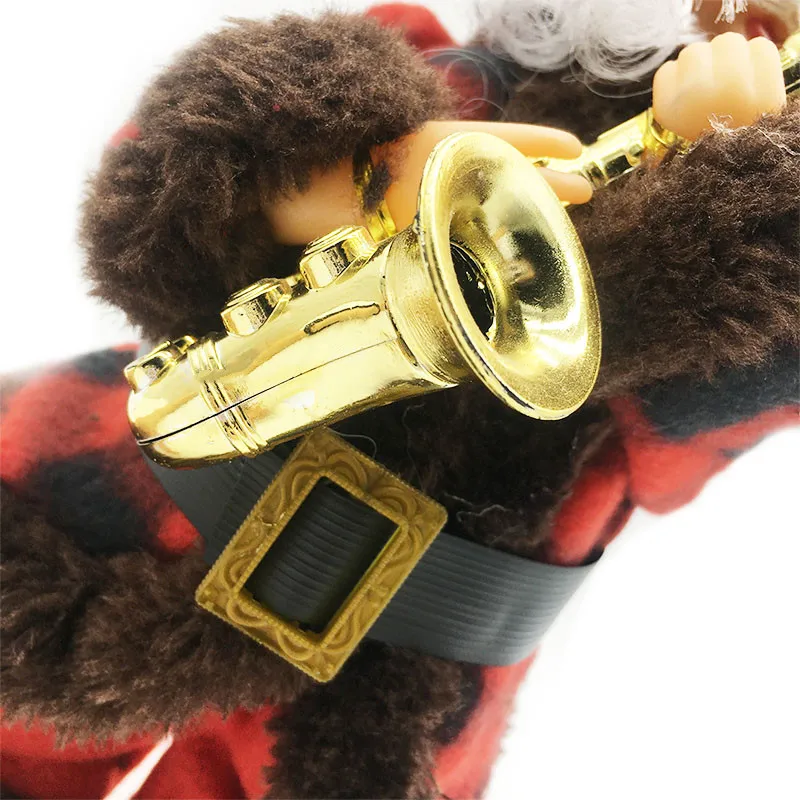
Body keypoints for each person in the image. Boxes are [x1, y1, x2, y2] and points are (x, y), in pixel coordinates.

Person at [1, 1, 797, 797]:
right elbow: (149, 204)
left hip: (407, 662)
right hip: (126, 503)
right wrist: (362, 173)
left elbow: (689, 419)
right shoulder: (431, 73)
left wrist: (739, 189)